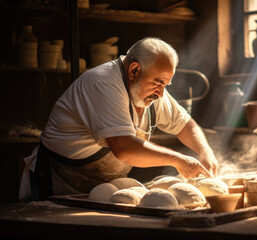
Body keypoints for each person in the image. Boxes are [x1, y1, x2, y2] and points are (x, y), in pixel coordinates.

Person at [19, 37, 219, 201]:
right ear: (134, 70)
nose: (161, 94)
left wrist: (205, 151)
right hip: (58, 181)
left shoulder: (153, 88)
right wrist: (179, 160)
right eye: (158, 83)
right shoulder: (103, 83)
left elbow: (185, 124)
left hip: (100, 187)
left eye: (166, 84)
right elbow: (124, 147)